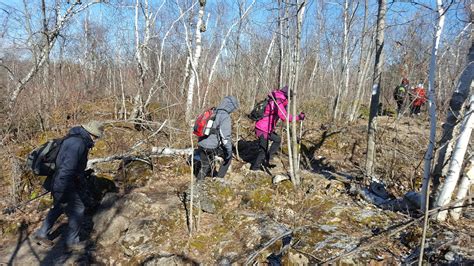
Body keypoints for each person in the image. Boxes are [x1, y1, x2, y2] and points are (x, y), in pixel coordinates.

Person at [33, 120, 105, 251]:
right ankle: (72, 243)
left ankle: (41, 234)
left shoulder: (74, 139)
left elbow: (68, 165)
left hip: (59, 180)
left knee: (60, 206)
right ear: (91, 134)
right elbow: (67, 168)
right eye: (97, 137)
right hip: (64, 182)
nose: (97, 140)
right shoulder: (78, 144)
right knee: (78, 209)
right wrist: (65, 186)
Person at [250, 86, 305, 171]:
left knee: (277, 139)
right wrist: (298, 117)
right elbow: (284, 117)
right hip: (262, 129)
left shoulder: (276, 99)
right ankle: (254, 169)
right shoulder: (278, 101)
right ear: (287, 96)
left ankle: (269, 158)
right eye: (290, 97)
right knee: (263, 151)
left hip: (266, 128)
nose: (290, 99)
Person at [197, 96, 239, 181]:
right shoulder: (225, 116)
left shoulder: (212, 111)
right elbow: (225, 137)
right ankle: (219, 179)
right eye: (233, 108)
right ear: (230, 106)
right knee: (228, 157)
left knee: (205, 165)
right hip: (211, 146)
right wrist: (229, 150)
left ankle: (198, 183)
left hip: (201, 142)